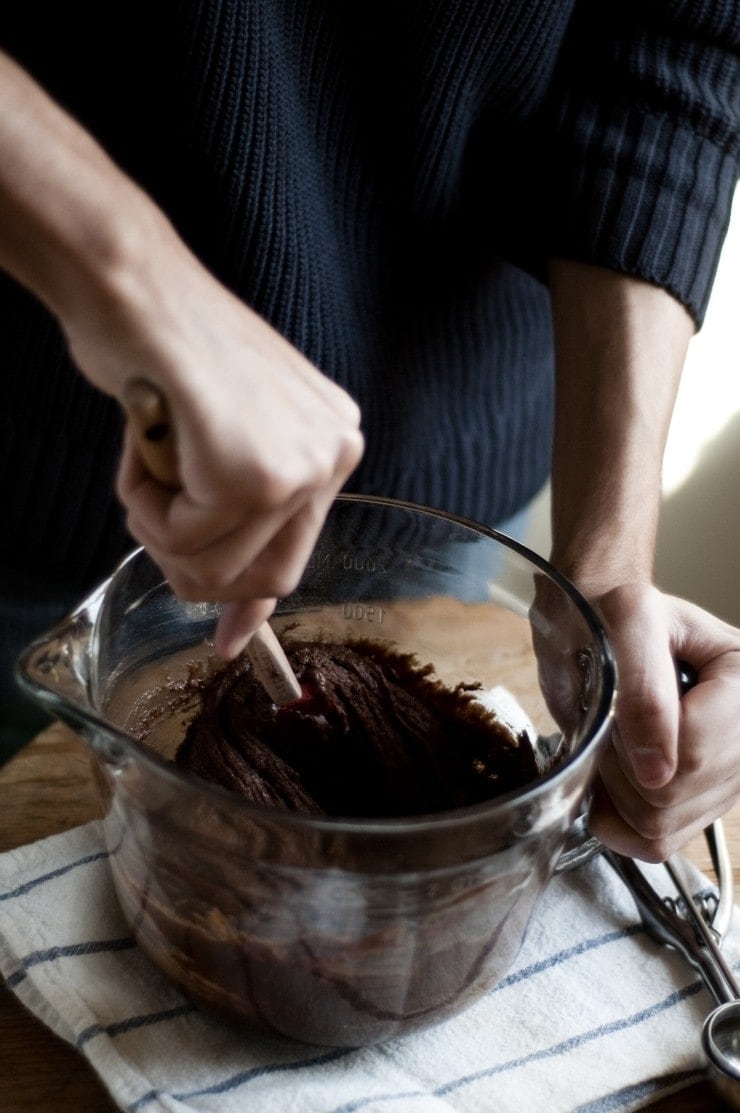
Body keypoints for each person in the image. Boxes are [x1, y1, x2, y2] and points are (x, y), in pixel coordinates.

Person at [1, 2, 740, 863]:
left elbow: (669, 52)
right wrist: (128, 274)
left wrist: (607, 561)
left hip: (444, 462)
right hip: (34, 468)